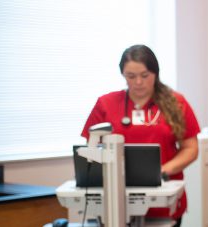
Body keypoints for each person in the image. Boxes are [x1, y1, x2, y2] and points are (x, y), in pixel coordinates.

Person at [81, 44, 200, 227]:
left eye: (145, 76)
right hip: (114, 202)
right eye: (131, 76)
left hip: (163, 200)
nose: (138, 82)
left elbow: (191, 148)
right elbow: (90, 148)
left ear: (155, 73)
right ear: (123, 75)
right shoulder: (106, 104)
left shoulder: (177, 103)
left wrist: (161, 172)